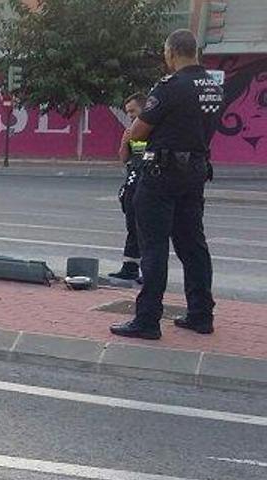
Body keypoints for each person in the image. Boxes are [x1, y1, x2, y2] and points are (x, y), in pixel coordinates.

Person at [110, 29, 223, 340]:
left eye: (165, 53)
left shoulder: (170, 87)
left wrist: (136, 130)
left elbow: (138, 132)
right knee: (193, 246)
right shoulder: (213, 88)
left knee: (154, 248)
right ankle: (201, 314)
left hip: (161, 174)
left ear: (172, 52)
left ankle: (147, 319)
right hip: (196, 172)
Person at [109, 93, 148, 282]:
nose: (130, 115)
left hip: (147, 180)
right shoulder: (132, 130)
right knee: (132, 226)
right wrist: (125, 141)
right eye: (128, 112)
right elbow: (124, 157)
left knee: (146, 228)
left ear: (144, 108)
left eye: (133, 111)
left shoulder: (152, 128)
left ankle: (148, 271)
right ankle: (130, 267)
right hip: (132, 179)